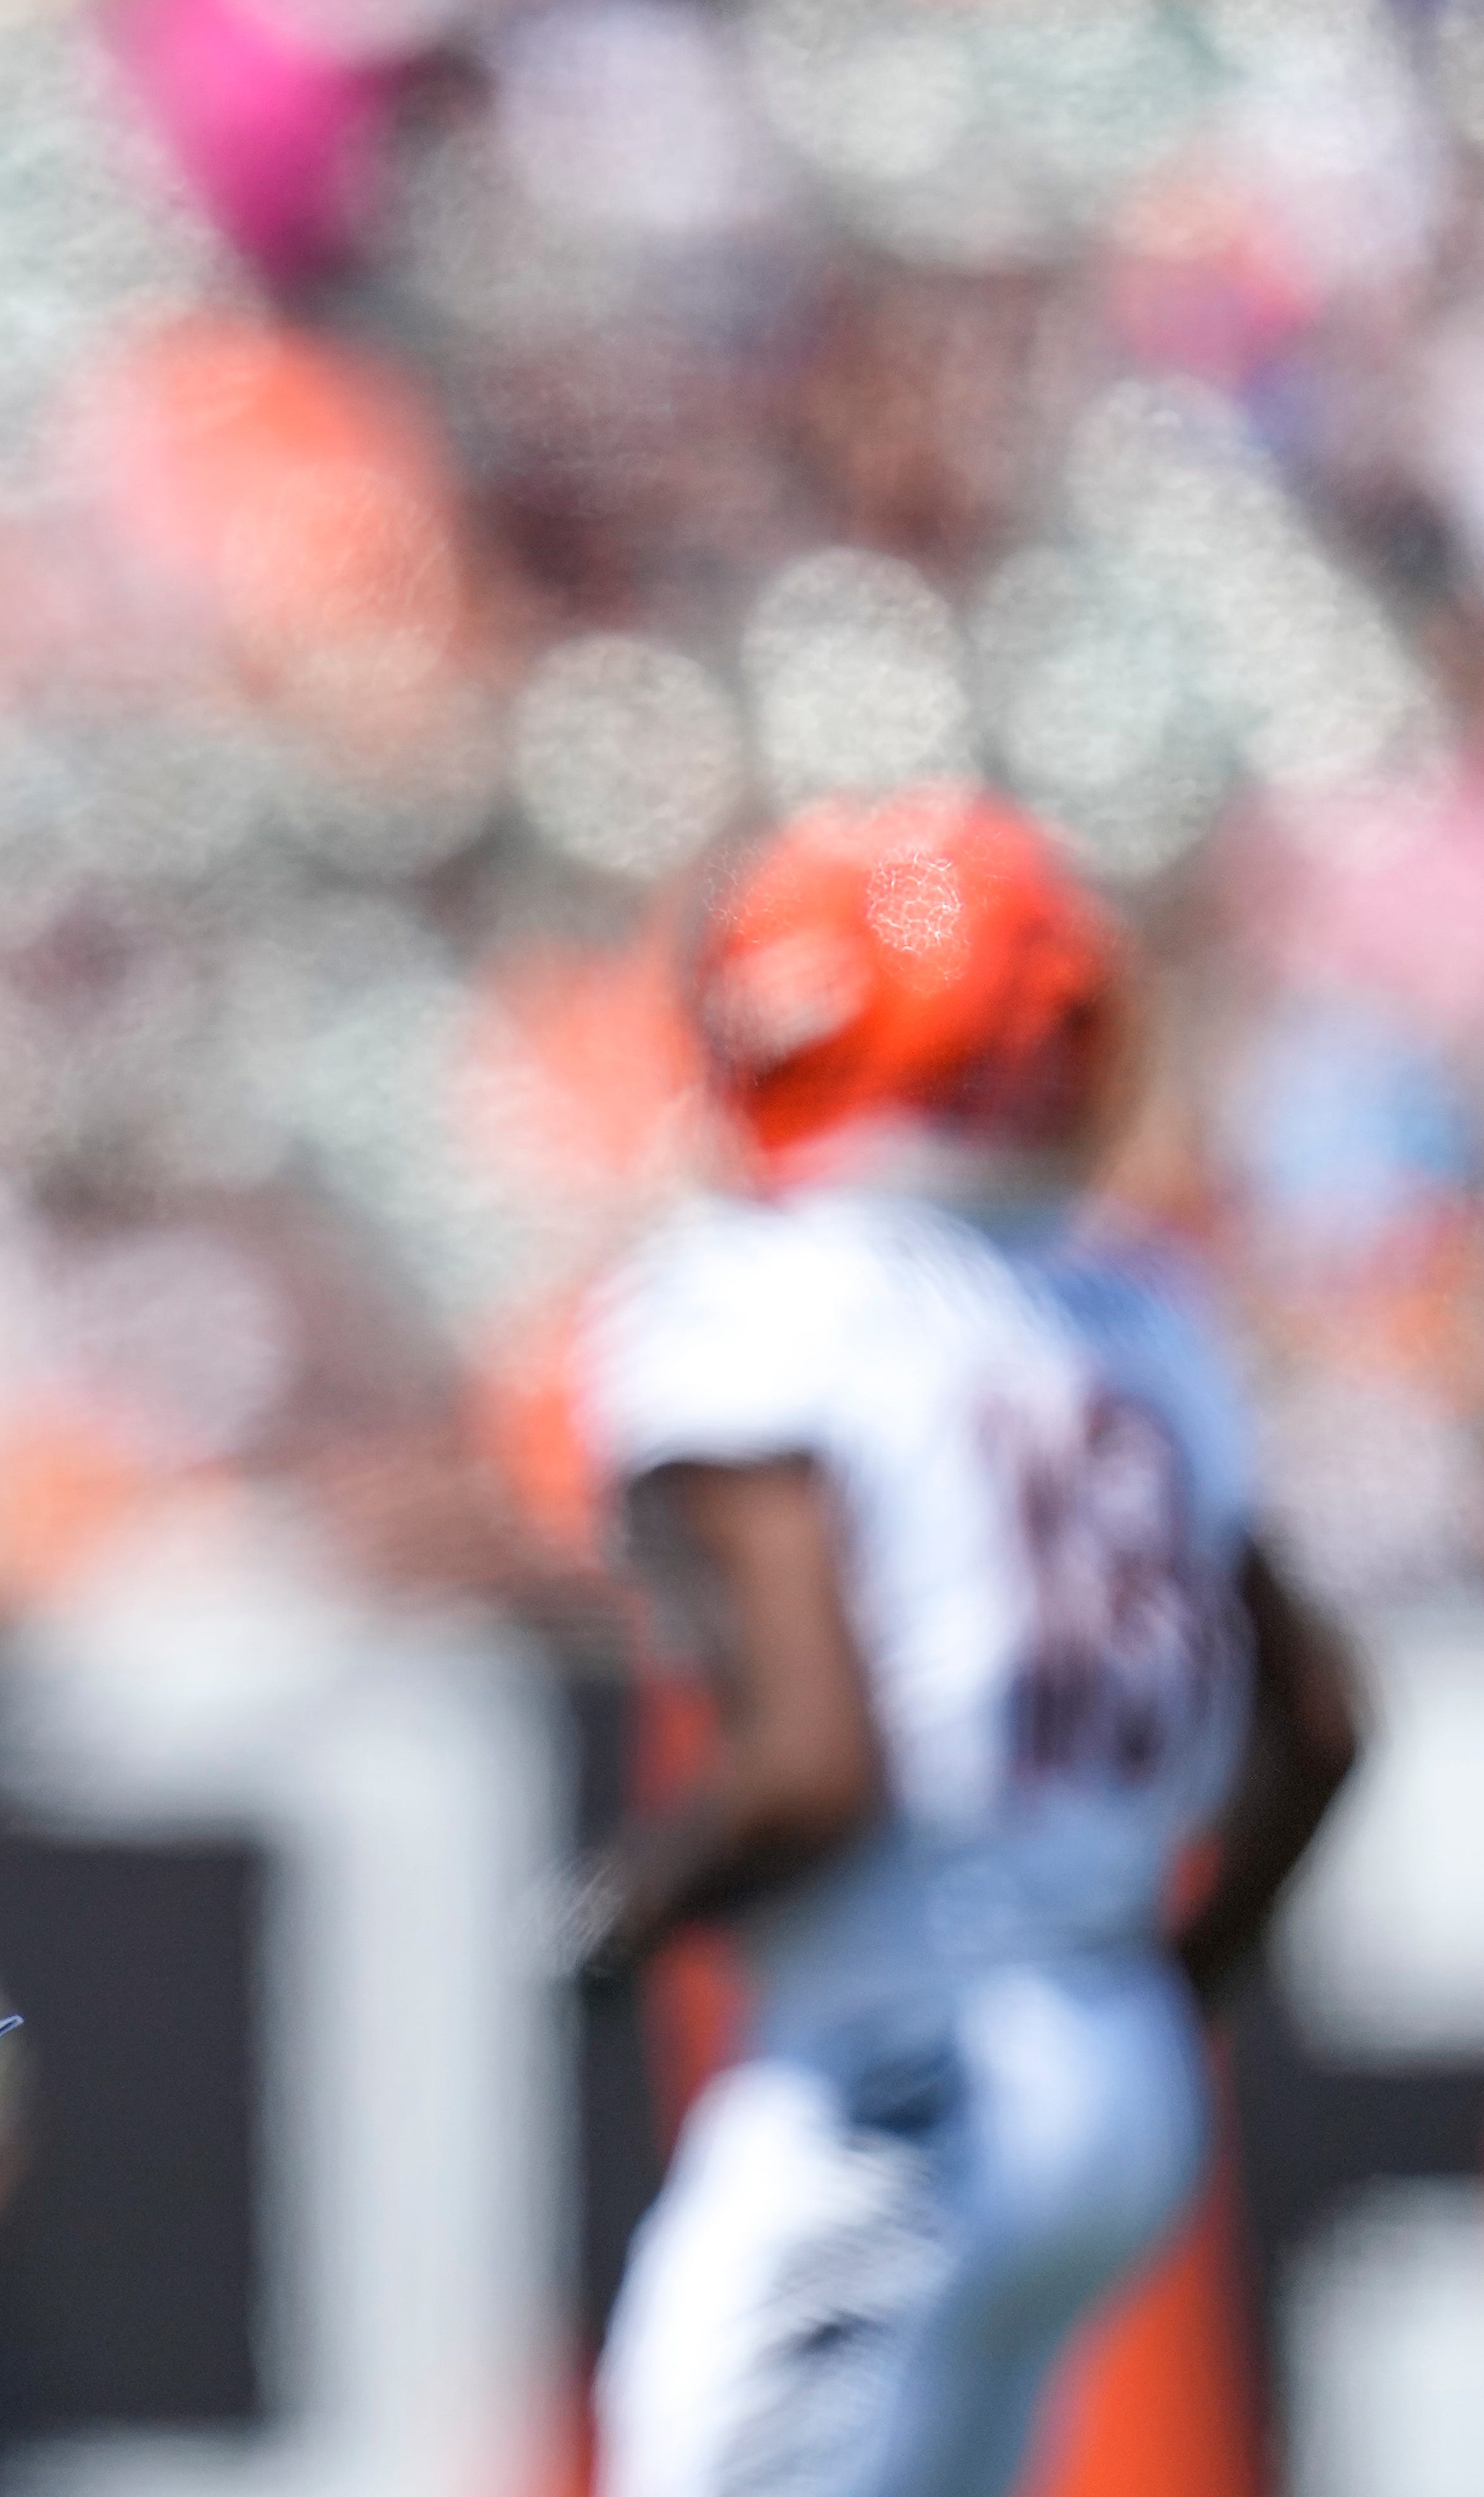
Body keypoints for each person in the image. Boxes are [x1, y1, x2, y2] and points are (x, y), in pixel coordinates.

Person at [574, 791, 1362, 2497]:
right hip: (1112, 2061)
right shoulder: (1138, 1305)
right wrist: (1151, 1989)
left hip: (902, 2066)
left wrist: (617, 1914)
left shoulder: (763, 1298)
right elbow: (1322, 1723)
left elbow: (810, 1770)